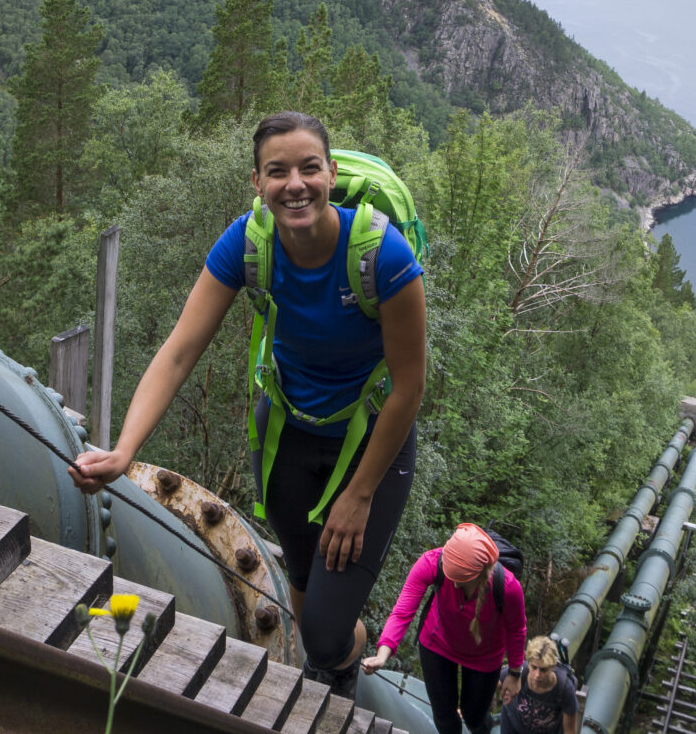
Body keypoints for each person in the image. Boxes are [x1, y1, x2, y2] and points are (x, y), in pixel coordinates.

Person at [69, 111, 428, 698]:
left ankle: (339, 665)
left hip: (372, 447)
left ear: (331, 174)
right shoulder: (248, 243)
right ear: (256, 183)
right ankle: (322, 659)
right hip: (287, 435)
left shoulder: (381, 256)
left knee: (327, 631)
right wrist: (124, 451)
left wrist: (359, 495)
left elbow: (410, 388)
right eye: (277, 171)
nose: (296, 184)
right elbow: (180, 352)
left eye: (310, 168)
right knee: (306, 588)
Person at [366, 523, 528, 734]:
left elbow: (517, 629)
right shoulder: (432, 562)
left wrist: (515, 673)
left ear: (477, 575)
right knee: (444, 717)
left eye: (458, 580)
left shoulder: (507, 587)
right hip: (437, 644)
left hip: (485, 657)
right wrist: (382, 654)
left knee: (475, 717)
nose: (451, 583)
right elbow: (402, 611)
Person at [500, 637, 579, 734]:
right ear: (528, 662)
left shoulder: (564, 688)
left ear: (553, 666)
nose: (537, 675)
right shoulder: (517, 674)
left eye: (543, 670)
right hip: (512, 726)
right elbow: (488, 685)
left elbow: (570, 729)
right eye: (534, 667)